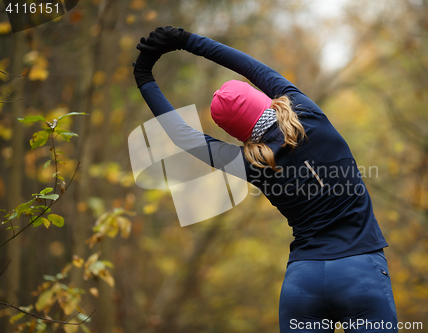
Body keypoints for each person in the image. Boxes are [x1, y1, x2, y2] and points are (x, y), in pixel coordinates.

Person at [134, 26, 398, 333]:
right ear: (262, 98)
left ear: (237, 132)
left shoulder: (251, 163)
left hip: (304, 283)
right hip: (360, 271)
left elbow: (185, 138)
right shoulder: (307, 113)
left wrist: (144, 76)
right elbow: (248, 66)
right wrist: (186, 40)